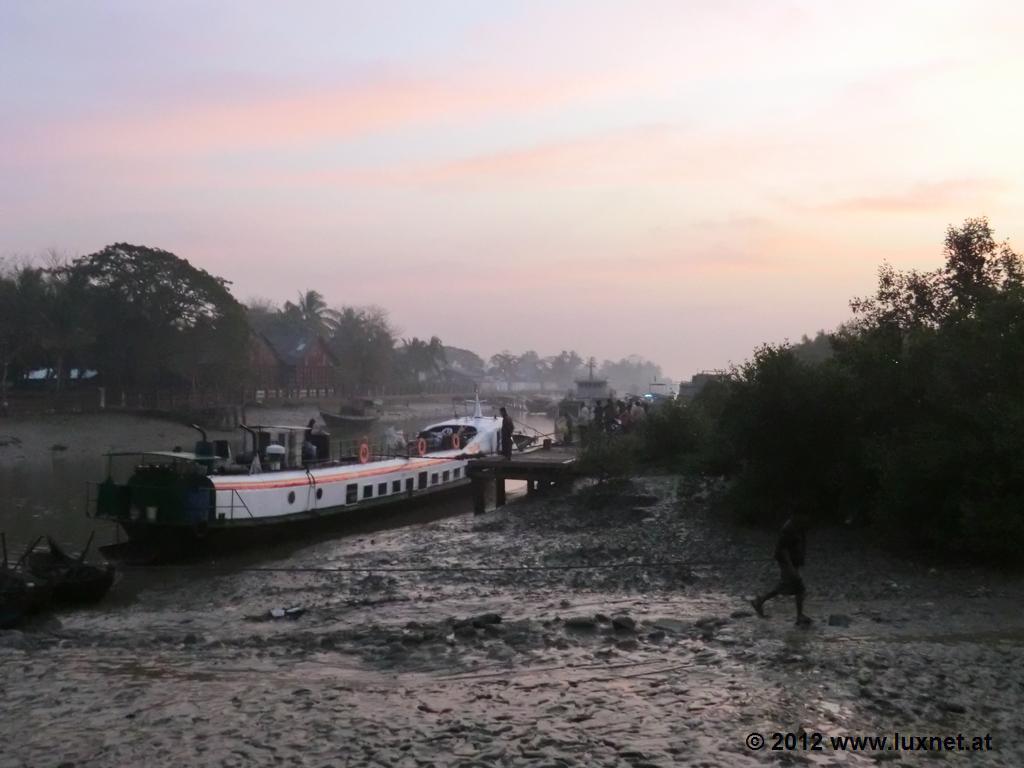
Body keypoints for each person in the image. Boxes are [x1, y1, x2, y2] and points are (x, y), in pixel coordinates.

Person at [751, 513, 812, 626]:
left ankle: (760, 601)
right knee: (797, 587)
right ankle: (799, 616)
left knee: (790, 586)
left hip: (794, 562)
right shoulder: (788, 529)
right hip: (787, 562)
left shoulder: (799, 526)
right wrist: (790, 567)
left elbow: (799, 544)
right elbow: (783, 550)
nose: (807, 518)